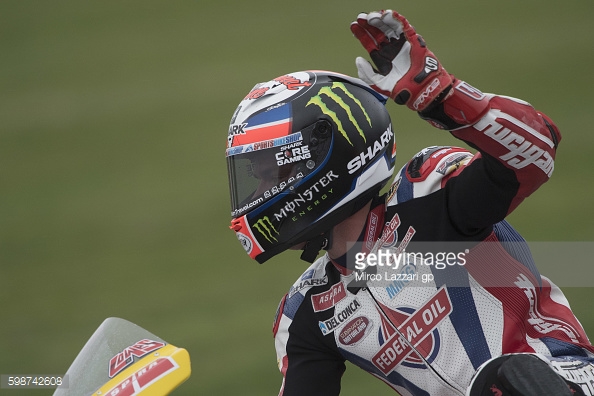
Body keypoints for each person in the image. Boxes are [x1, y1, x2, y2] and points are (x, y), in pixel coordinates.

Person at [225, 9, 594, 396]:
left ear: (330, 157)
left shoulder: (427, 190)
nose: (261, 189)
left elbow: (538, 152)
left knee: (502, 379)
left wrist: (445, 98)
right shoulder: (304, 311)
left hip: (567, 377)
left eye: (271, 171)